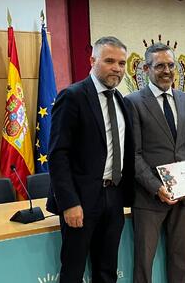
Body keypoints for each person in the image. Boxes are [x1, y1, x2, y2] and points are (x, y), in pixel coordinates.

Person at [46, 36, 135, 283]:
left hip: (113, 197)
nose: (117, 68)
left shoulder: (122, 101)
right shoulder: (72, 96)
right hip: (81, 201)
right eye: (109, 61)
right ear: (92, 60)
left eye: (121, 63)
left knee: (107, 272)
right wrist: (69, 203)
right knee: (73, 273)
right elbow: (58, 154)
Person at [126, 43, 185, 283]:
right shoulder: (133, 102)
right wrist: (156, 187)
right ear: (146, 68)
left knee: (181, 257)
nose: (167, 70)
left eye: (171, 65)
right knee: (144, 261)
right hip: (149, 197)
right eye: (160, 65)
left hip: (183, 197)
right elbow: (134, 155)